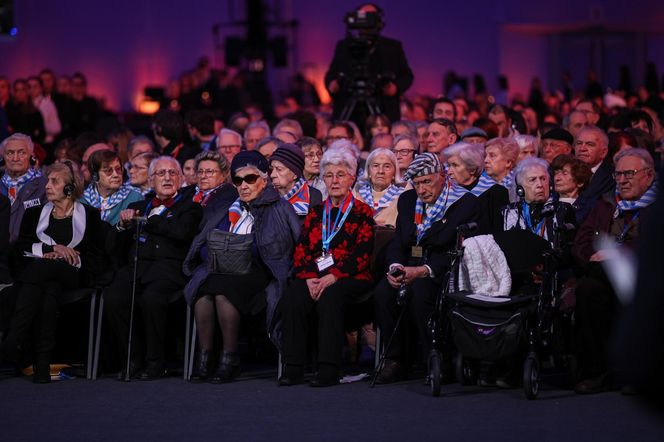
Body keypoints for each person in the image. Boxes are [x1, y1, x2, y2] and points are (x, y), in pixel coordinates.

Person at [183, 151, 300, 382]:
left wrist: (244, 248)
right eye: (238, 180)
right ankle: (206, 358)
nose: (243, 185)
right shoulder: (225, 208)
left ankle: (230, 358)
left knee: (223, 291)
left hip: (261, 271)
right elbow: (204, 243)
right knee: (203, 292)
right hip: (221, 267)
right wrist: (219, 250)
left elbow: (288, 247)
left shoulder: (279, 207)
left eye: (250, 179)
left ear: (263, 180)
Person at [373, 153, 481, 383]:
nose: (421, 190)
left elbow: (460, 249)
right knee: (384, 291)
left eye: (427, 182)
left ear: (442, 176)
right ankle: (396, 360)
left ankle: (437, 358)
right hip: (409, 266)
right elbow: (399, 241)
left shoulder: (465, 203)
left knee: (420, 292)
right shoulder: (408, 201)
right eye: (417, 184)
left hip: (445, 270)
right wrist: (395, 266)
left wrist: (424, 271)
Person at [279, 147, 376, 387]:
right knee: (294, 294)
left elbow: (361, 255)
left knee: (331, 296)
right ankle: (293, 367)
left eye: (341, 175)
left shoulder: (362, 212)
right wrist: (310, 277)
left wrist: (333, 276)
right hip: (316, 273)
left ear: (352, 178)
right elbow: (301, 249)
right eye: (329, 175)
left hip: (351, 276)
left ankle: (328, 368)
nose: (334, 181)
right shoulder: (316, 212)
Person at [0, 161, 104, 383]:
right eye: (48, 180)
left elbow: (97, 257)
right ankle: (42, 366)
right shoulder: (34, 213)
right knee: (48, 290)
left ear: (69, 188)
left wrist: (69, 257)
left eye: (54, 181)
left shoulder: (90, 215)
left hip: (75, 273)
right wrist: (52, 249)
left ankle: (13, 338)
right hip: (43, 279)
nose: (47, 186)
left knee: (40, 270)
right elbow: (20, 251)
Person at [104, 156, 203, 380]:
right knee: (114, 296)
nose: (167, 177)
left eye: (172, 173)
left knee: (152, 298)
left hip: (169, 270)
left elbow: (181, 233)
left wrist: (149, 220)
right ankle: (132, 357)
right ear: (150, 180)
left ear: (180, 178)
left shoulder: (191, 208)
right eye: (161, 173)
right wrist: (122, 225)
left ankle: (155, 361)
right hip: (136, 267)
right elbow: (113, 246)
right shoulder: (137, 206)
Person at [573, 148, 657, 394]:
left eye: (629, 173)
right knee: (588, 290)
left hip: (645, 274)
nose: (622, 180)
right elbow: (583, 239)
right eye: (618, 175)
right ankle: (598, 372)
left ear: (649, 174)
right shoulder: (606, 203)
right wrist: (593, 256)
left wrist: (619, 254)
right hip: (602, 271)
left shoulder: (657, 206)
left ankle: (638, 372)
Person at [325, 4, 413, 126]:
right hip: (349, 104)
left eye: (370, 16)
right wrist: (332, 84)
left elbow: (407, 76)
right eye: (362, 16)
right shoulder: (344, 46)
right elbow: (331, 74)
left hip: (383, 106)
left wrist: (395, 88)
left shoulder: (392, 47)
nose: (365, 21)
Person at [502, 157, 576, 243]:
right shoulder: (509, 212)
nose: (540, 185)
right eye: (532, 180)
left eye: (543, 179)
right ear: (520, 189)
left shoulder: (562, 209)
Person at [445, 142, 509, 233]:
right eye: (448, 165)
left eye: (455, 165)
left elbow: (500, 231)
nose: (449, 171)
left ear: (472, 169)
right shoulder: (447, 192)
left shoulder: (496, 193)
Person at [0, 133, 48, 243]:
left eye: (22, 153)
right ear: (3, 158)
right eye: (10, 153)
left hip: (28, 249)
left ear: (31, 156)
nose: (15, 158)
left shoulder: (45, 186)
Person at [80, 149, 144, 226]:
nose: (116, 175)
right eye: (108, 171)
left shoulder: (135, 197)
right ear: (95, 175)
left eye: (118, 169)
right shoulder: (81, 200)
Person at [353, 148, 406, 227]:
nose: (381, 171)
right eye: (375, 166)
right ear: (369, 171)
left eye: (387, 166)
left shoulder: (403, 196)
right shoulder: (357, 195)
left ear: (394, 173)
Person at [573, 126, 615, 224]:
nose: (582, 148)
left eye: (590, 144)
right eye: (579, 143)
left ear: (603, 152)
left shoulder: (612, 177)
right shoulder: (564, 172)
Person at [269, 144, 322, 220]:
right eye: (271, 169)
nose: (272, 175)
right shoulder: (266, 196)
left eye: (279, 169)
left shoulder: (313, 196)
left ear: (295, 174)